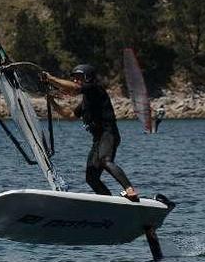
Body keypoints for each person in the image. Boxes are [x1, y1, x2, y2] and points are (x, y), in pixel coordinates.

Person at [43, 64, 139, 201]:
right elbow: (70, 115)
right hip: (98, 139)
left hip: (109, 134)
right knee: (91, 178)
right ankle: (108, 201)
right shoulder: (86, 101)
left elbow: (75, 89)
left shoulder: (95, 88)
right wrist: (52, 101)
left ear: (88, 78)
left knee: (105, 161)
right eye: (74, 78)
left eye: (78, 78)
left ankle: (130, 190)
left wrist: (50, 79)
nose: (75, 81)